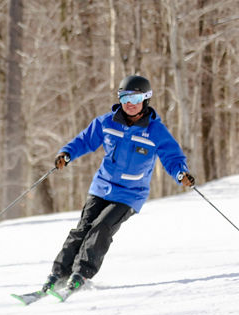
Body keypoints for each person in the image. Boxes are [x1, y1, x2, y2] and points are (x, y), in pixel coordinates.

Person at [41, 74, 195, 293]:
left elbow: (172, 157)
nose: (129, 104)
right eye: (124, 98)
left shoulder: (155, 131)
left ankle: (81, 273)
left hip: (130, 194)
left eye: (135, 98)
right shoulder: (106, 123)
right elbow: (85, 140)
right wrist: (66, 154)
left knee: (102, 227)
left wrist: (181, 174)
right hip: (102, 187)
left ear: (146, 99)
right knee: (83, 229)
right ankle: (58, 273)